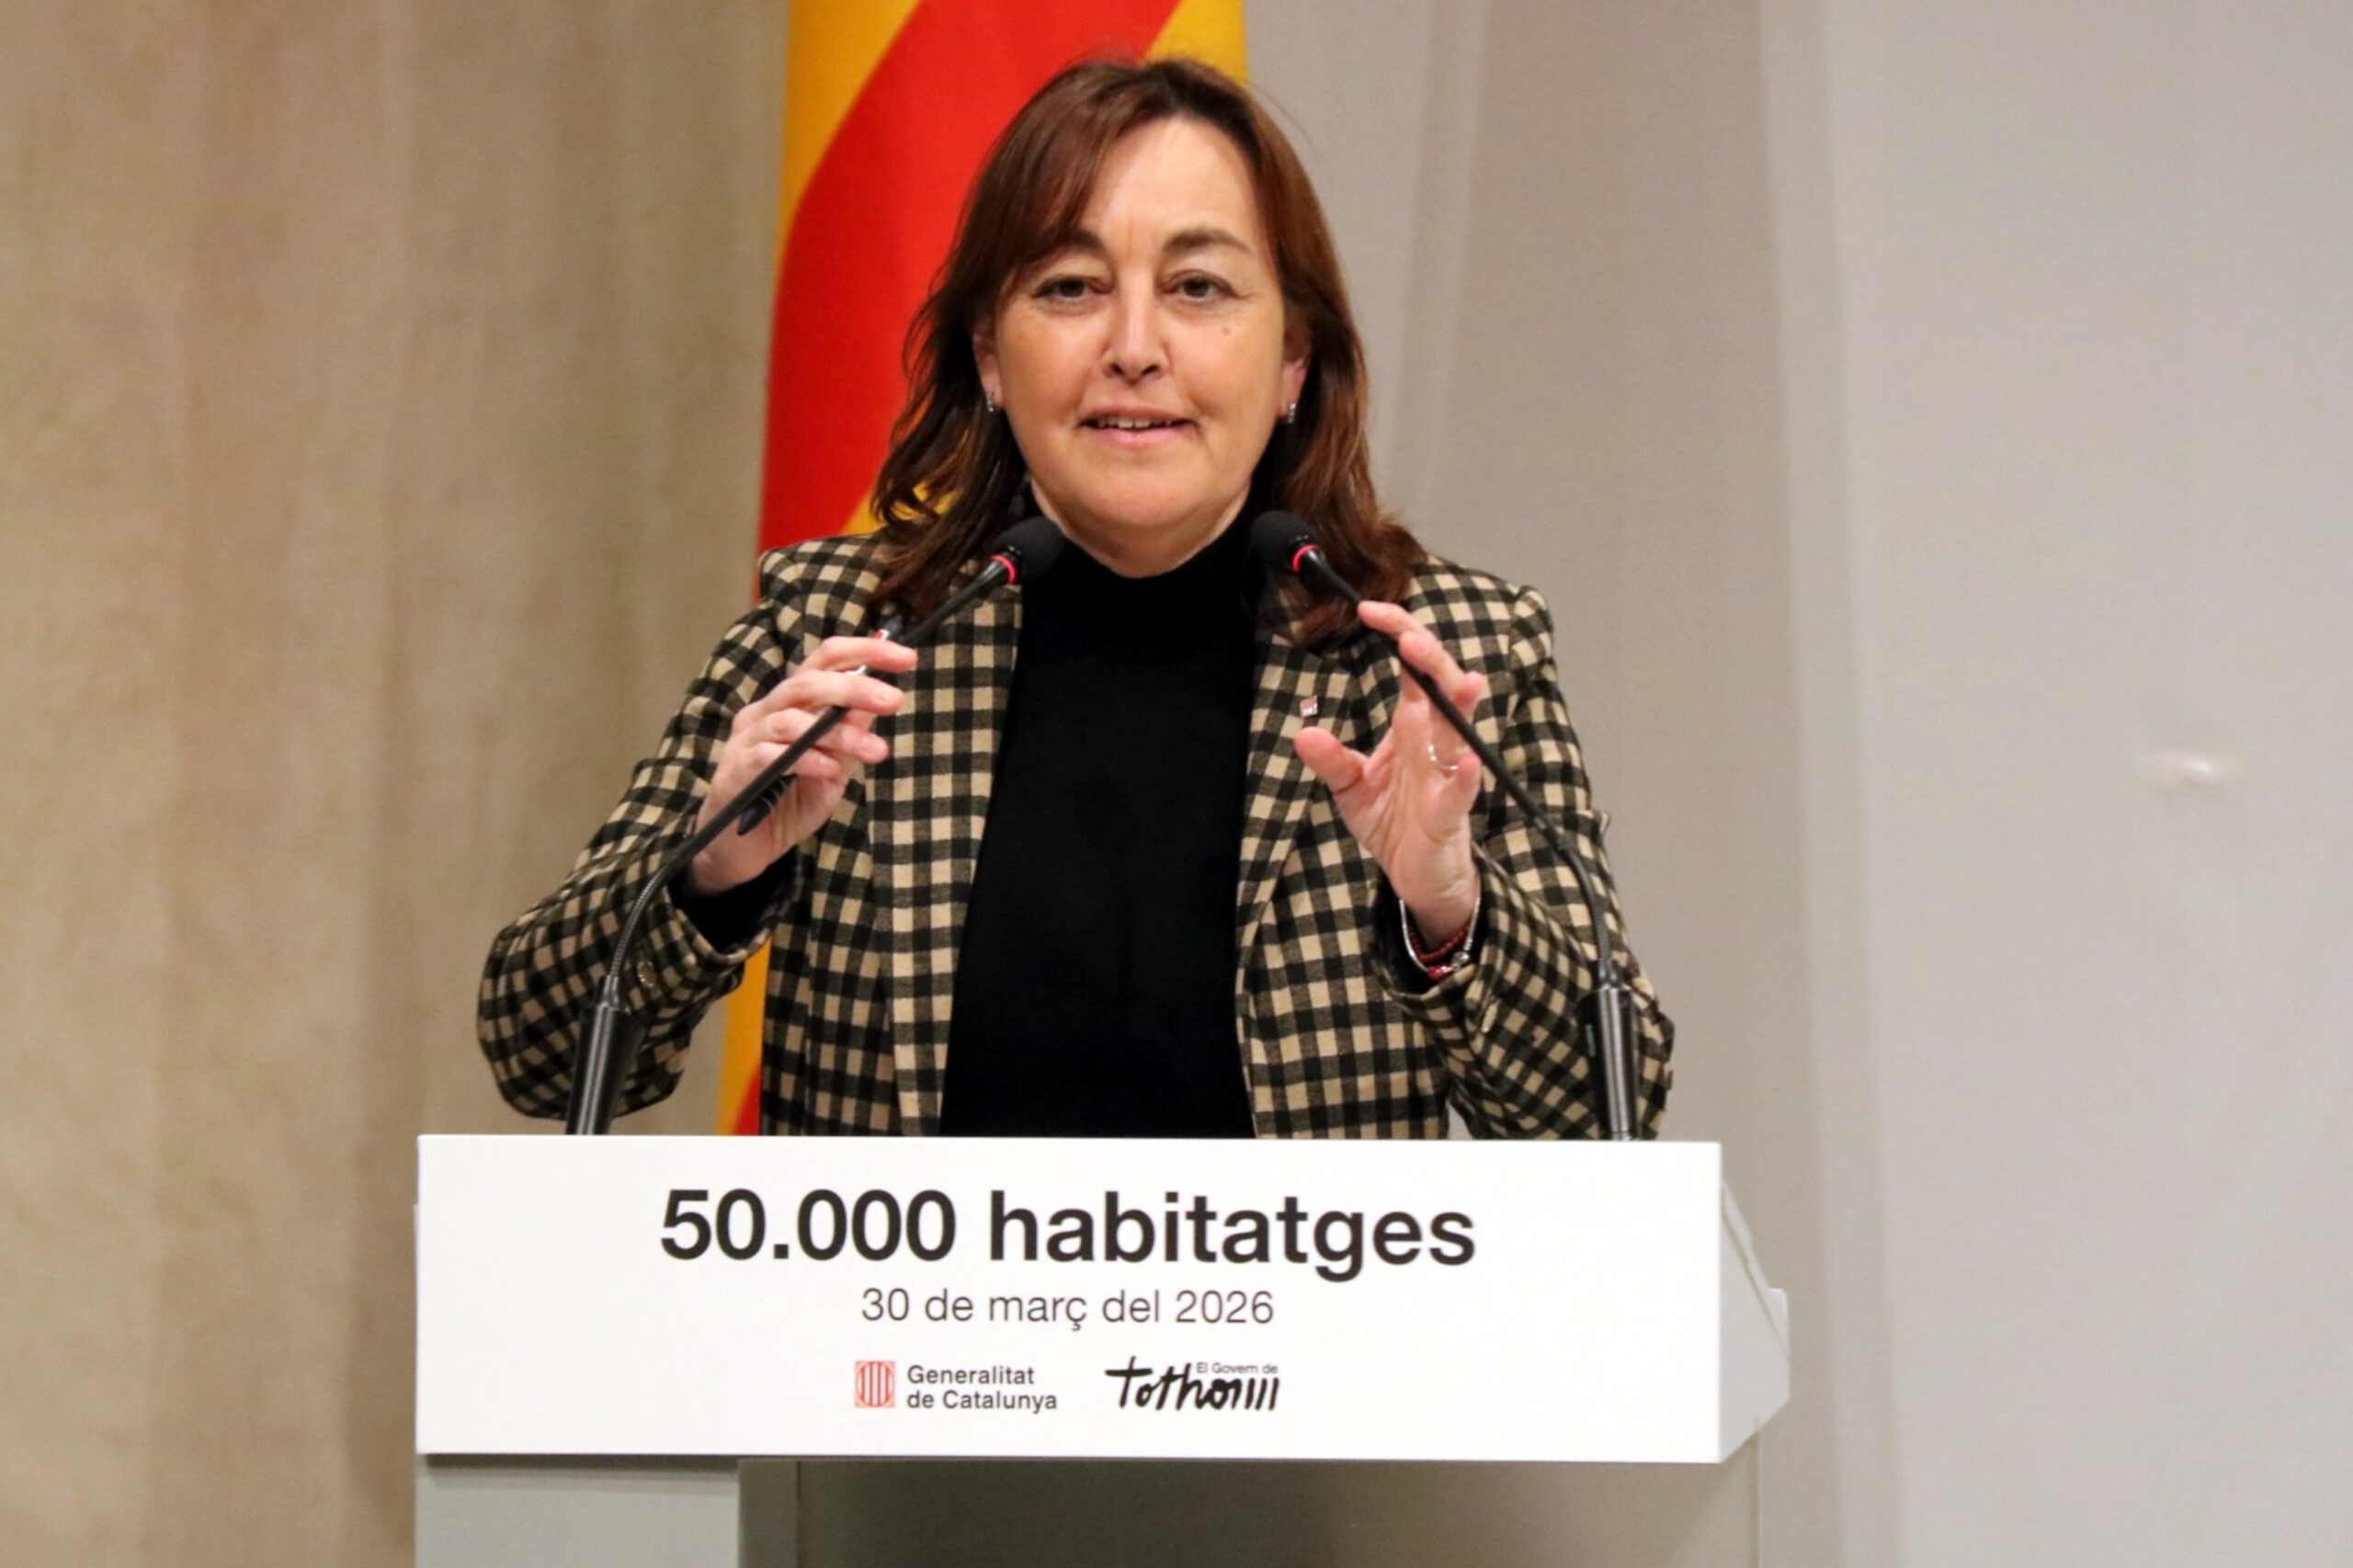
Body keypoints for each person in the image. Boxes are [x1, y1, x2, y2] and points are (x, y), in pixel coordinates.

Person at [478, 58, 1672, 1139]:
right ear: (990, 356)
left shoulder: (1431, 656)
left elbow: (1606, 1105)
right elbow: (538, 1049)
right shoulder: (844, 635)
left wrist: (1451, 914)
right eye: (1069, 287)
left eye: (1198, 286)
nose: (1134, 347)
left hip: (1305, 1325)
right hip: (908, 1323)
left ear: (1293, 361)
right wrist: (708, 878)